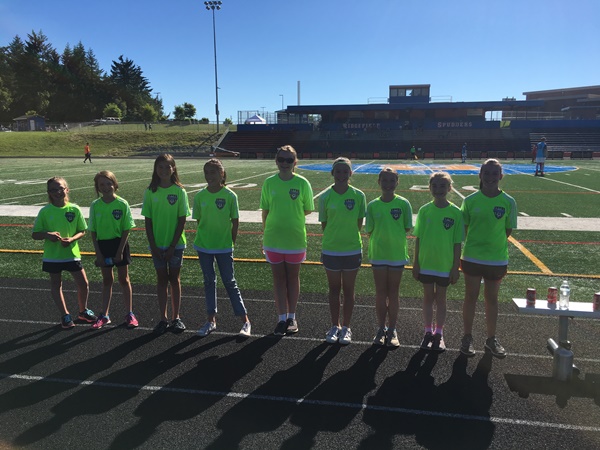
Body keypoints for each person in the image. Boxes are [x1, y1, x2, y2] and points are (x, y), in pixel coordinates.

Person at [460, 159, 517, 358]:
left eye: (495, 174)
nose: (491, 177)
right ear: (480, 176)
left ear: (501, 176)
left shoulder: (508, 201)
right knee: (471, 297)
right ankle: (467, 337)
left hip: (496, 259)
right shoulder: (470, 201)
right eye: (487, 173)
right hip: (472, 257)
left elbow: (507, 230)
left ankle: (491, 338)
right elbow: (465, 229)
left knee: (492, 300)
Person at [193, 159, 251, 338]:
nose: (209, 176)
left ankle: (245, 322)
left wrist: (230, 243)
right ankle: (211, 320)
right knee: (209, 282)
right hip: (204, 246)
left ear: (222, 174)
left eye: (213, 172)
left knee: (229, 282)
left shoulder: (230, 196)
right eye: (207, 172)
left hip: (224, 247)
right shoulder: (200, 196)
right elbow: (199, 220)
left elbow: (235, 221)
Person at [260, 145, 314, 336]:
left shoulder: (302, 183)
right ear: (276, 161)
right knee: (278, 280)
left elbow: (307, 209)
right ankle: (281, 318)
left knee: (292, 278)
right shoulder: (269, 183)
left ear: (295, 162)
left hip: (295, 239)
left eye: (289, 160)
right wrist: (264, 236)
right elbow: (265, 211)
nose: (285, 163)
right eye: (281, 159)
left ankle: (292, 316)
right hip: (273, 238)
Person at [31, 177, 97, 328]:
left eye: (60, 188)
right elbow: (35, 234)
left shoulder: (74, 209)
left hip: (71, 254)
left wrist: (72, 239)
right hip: (52, 257)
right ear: (49, 192)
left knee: (83, 283)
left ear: (67, 189)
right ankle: (65, 315)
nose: (57, 192)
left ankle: (83, 311)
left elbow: (82, 230)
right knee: (56, 284)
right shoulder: (45, 211)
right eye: (53, 190)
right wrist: (48, 235)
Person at [412, 172, 463, 353]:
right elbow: (418, 239)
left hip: (444, 264)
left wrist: (455, 267)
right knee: (427, 297)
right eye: (435, 186)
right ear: (430, 188)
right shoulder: (425, 210)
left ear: (449, 188)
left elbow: (458, 243)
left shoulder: (456, 213)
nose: (439, 190)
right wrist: (416, 263)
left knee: (441, 299)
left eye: (443, 186)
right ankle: (427, 331)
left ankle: (439, 333)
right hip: (426, 263)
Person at [141, 153, 191, 335]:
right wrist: (153, 245)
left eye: (167, 167)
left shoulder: (179, 191)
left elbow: (182, 220)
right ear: (155, 169)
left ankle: (175, 317)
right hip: (156, 245)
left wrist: (172, 246)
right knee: (161, 280)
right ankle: (163, 318)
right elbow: (148, 221)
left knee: (174, 279)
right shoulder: (150, 191)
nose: (164, 170)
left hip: (176, 245)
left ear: (173, 168)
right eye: (160, 167)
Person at [319, 157, 366, 345]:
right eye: (338, 171)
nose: (341, 175)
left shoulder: (358, 195)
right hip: (331, 249)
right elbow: (324, 224)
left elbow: (359, 223)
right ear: (332, 173)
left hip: (352, 249)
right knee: (333, 289)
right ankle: (334, 326)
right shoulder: (325, 196)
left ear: (350, 174)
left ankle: (346, 327)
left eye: (345, 171)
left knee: (348, 290)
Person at [365, 167, 412, 347]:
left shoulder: (403, 203)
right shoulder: (373, 205)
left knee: (393, 293)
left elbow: (407, 227)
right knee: (380, 293)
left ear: (397, 182)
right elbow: (369, 229)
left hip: (397, 254)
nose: (388, 184)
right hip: (378, 254)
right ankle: (380, 328)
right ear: (379, 182)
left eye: (392, 181)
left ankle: (392, 330)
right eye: (384, 180)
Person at [88, 171, 138, 329]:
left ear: (115, 184)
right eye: (101, 184)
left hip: (119, 245)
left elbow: (126, 229)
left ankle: (130, 313)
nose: (105, 187)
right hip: (103, 245)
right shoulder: (95, 205)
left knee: (124, 280)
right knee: (107, 280)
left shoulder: (122, 204)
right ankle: (104, 315)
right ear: (97, 187)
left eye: (108, 183)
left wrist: (120, 251)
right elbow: (93, 231)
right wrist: (98, 254)